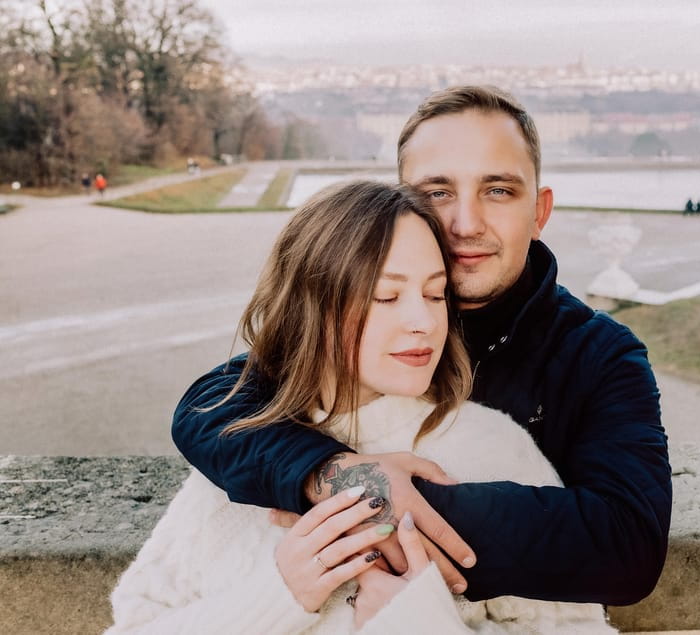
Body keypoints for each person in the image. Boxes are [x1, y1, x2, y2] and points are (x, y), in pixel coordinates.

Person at [172, 85, 671, 605]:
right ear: (401, 205)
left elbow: (627, 544)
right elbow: (210, 406)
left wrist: (380, 508)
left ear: (540, 211)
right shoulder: (359, 323)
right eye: (437, 193)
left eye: (498, 190)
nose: (465, 224)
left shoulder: (599, 354)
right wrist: (328, 472)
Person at [108, 181, 614, 633]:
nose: (423, 321)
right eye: (386, 297)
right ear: (311, 308)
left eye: (436, 295)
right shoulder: (238, 457)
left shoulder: (491, 449)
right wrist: (281, 596)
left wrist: (419, 624)